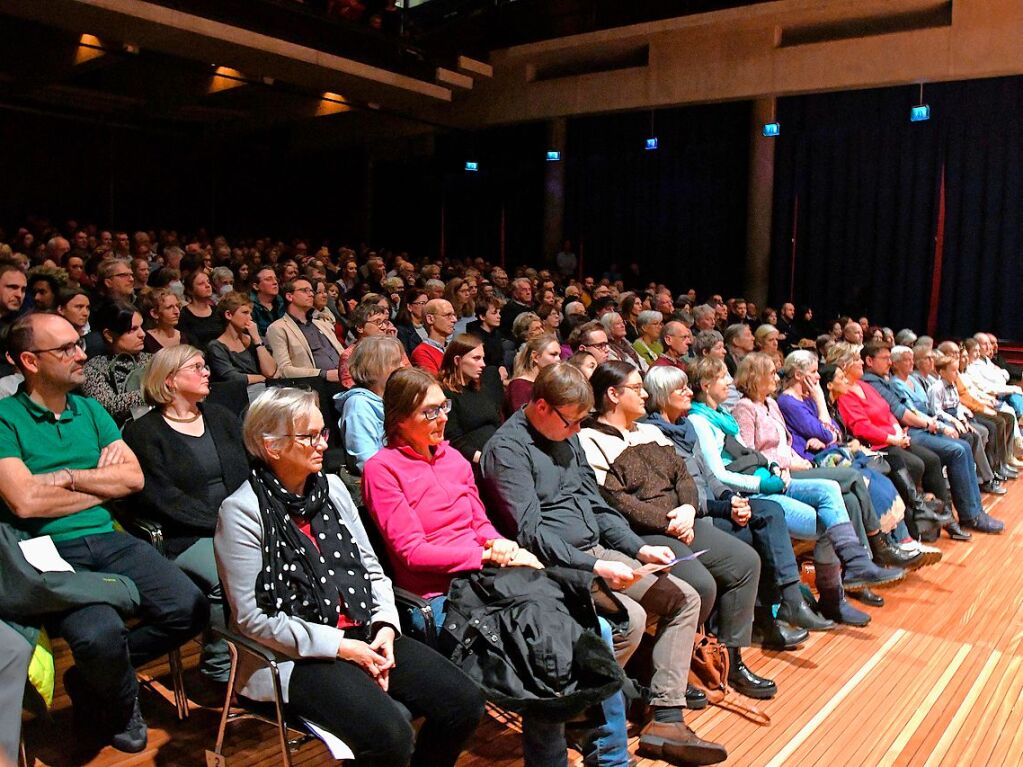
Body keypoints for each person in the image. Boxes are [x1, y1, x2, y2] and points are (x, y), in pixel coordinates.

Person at [365, 369, 631, 767]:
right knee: (544, 645)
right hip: (439, 596)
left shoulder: (453, 459)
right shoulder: (382, 469)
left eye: (443, 407)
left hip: (490, 579)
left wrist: (502, 545)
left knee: (596, 628)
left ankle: (610, 757)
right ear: (398, 418)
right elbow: (412, 552)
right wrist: (486, 556)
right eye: (429, 412)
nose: (441, 418)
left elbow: (478, 524)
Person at [215, 387, 485, 766]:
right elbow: (252, 619)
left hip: (365, 630)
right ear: (271, 446)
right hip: (297, 655)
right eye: (309, 436)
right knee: (390, 737)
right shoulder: (242, 512)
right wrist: (343, 647)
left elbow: (372, 571)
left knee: (464, 702)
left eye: (323, 433)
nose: (323, 445)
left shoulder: (334, 489)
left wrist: (386, 628)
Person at [481, 363, 727, 766]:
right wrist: (594, 568)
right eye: (571, 421)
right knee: (627, 620)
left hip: (595, 551)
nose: (578, 431)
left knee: (683, 598)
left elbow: (596, 504)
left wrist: (636, 548)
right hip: (550, 565)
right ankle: (583, 715)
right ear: (541, 406)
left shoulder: (567, 433)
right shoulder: (506, 450)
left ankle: (665, 718)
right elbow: (529, 533)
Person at [0, 312, 207, 753]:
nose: (81, 354)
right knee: (98, 635)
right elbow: (25, 503)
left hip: (109, 536)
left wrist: (66, 478)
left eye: (79, 344)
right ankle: (117, 694)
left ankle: (97, 677)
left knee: (188, 607)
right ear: (29, 361)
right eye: (67, 349)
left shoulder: (90, 409)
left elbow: (131, 480)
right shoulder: (4, 419)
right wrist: (98, 482)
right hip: (45, 549)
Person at [578, 362, 774, 699]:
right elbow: (615, 500)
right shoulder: (589, 439)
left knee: (745, 562)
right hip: (642, 534)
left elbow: (684, 477)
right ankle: (672, 671)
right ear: (612, 394)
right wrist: (669, 520)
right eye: (636, 388)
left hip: (683, 521)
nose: (644, 395)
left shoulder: (650, 432)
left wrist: (686, 508)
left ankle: (732, 659)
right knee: (699, 584)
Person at [686, 356, 903, 603]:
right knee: (832, 518)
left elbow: (752, 454)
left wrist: (773, 466)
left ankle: (855, 567)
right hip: (752, 490)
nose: (729, 381)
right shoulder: (707, 419)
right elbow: (720, 474)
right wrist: (766, 481)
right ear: (705, 385)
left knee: (834, 491)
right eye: (722, 376)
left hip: (771, 474)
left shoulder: (724, 415)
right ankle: (836, 590)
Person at [640, 365, 828, 649]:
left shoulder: (685, 426)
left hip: (715, 504)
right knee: (754, 536)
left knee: (769, 513)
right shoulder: (653, 434)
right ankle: (758, 624)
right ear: (663, 395)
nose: (689, 391)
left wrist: (731, 499)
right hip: (697, 515)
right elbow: (677, 493)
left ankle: (778, 609)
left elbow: (711, 476)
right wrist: (725, 507)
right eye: (681, 389)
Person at [123, 345, 248, 682]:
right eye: (197, 367)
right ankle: (220, 663)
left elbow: (248, 470)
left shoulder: (220, 417)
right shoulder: (144, 433)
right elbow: (161, 499)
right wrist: (222, 522)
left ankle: (261, 656)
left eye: (206, 366)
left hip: (237, 522)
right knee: (228, 579)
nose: (207, 372)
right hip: (184, 533)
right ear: (170, 380)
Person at [859, 341, 1003, 535]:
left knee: (965, 445)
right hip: (908, 432)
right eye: (885, 358)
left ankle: (975, 511)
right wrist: (932, 424)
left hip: (914, 427)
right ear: (869, 361)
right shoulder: (875, 383)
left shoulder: (886, 380)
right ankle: (971, 515)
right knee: (958, 450)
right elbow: (902, 412)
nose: (889, 362)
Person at [334, 336, 404, 474]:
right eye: (396, 362)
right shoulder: (358, 405)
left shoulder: (395, 397)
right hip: (384, 481)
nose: (402, 367)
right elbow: (366, 461)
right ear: (374, 368)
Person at [81, 302, 152, 426]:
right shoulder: (94, 368)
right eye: (133, 329)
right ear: (109, 335)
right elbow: (107, 406)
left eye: (141, 327)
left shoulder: (153, 359)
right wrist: (154, 392)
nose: (142, 334)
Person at [438, 334, 504, 464]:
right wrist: (483, 459)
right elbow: (452, 440)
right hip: (473, 462)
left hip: (496, 453)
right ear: (457, 360)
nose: (483, 364)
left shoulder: (481, 389)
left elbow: (497, 423)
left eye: (483, 358)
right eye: (476, 358)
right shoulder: (445, 394)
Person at [266, 278, 343, 381]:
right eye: (304, 290)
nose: (311, 294)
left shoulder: (324, 324)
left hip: (344, 377)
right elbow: (283, 369)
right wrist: (323, 374)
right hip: (316, 384)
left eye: (311, 291)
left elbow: (342, 353)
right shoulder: (278, 328)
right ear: (289, 296)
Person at [206, 291, 279, 384]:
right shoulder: (216, 347)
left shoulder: (255, 340)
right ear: (228, 315)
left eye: (250, 313)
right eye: (245, 313)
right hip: (240, 393)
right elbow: (232, 377)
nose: (250, 318)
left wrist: (257, 340)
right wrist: (261, 378)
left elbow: (270, 372)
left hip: (264, 389)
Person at [504, 333, 562, 416]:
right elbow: (524, 421)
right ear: (535, 357)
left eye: (559, 355)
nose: (559, 359)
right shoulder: (519, 386)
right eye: (553, 354)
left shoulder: (549, 384)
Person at [411, 299, 456, 376]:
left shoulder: (454, 349)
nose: (454, 320)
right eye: (448, 315)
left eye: (454, 315)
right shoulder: (422, 353)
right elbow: (435, 384)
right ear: (430, 319)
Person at [177, 270, 220, 350]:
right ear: (190, 290)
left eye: (208, 282)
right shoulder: (183, 315)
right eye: (201, 284)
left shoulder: (218, 311)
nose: (207, 285)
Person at [142, 287, 183, 353]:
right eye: (169, 307)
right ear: (155, 313)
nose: (177, 312)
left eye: (177, 306)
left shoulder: (183, 337)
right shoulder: (146, 340)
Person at [249, 267, 285, 337]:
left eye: (276, 279)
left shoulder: (282, 303)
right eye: (268, 279)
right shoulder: (249, 307)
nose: (275, 282)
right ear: (256, 286)